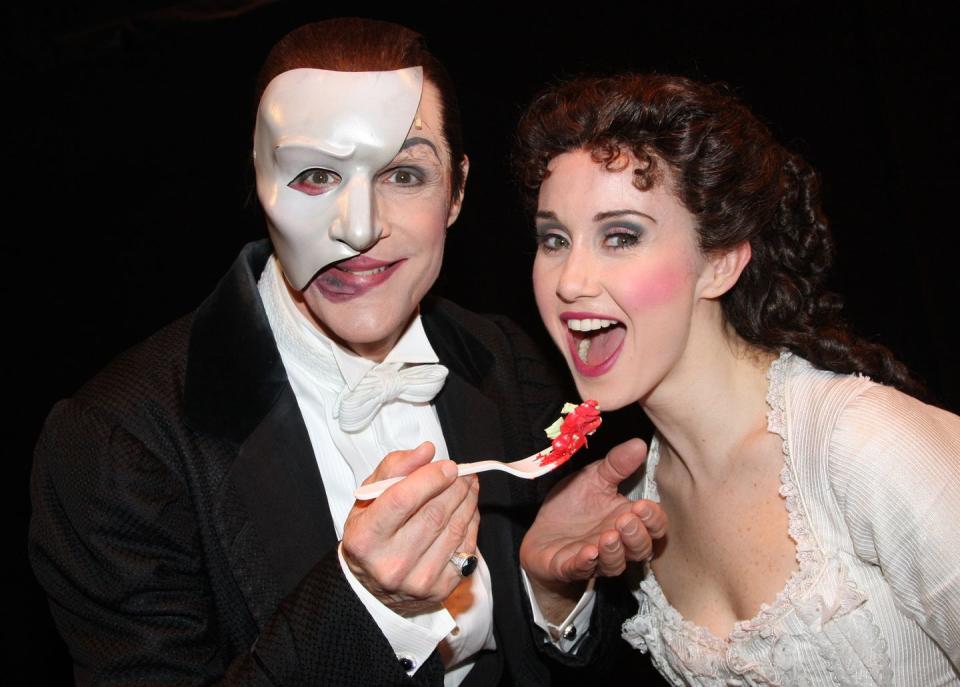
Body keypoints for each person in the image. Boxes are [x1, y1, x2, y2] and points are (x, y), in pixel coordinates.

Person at [29, 19, 666, 687]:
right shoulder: (116, 445)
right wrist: (367, 604)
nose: (359, 228)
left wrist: (550, 594)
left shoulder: (507, 359)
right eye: (313, 175)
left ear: (456, 191)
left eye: (405, 173)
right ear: (259, 180)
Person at [514, 73, 960, 685]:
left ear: (720, 262)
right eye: (554, 239)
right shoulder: (636, 506)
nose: (570, 280)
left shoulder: (861, 443)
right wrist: (551, 590)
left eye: (620, 236)